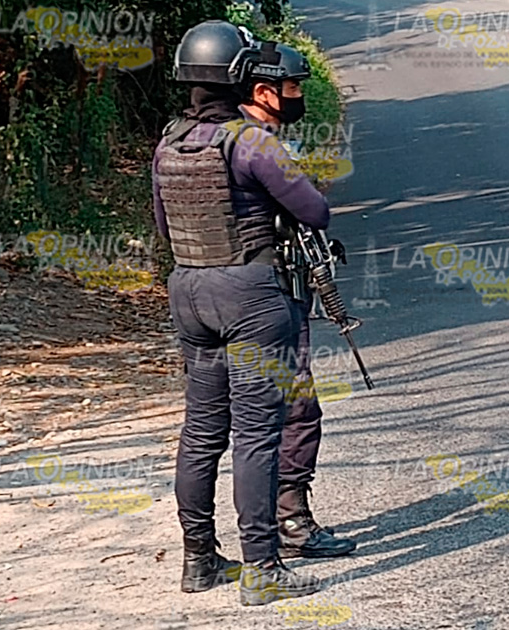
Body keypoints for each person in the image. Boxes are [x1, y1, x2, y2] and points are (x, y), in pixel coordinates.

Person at [153, 20, 328, 606]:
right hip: (250, 293)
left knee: (202, 432)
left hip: (188, 289)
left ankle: (199, 560)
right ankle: (262, 568)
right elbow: (315, 210)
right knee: (257, 432)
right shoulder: (249, 142)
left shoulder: (169, 142)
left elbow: (162, 227)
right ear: (238, 75)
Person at [239, 45, 360, 561]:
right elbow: (314, 210)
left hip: (205, 298)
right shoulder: (257, 145)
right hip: (270, 295)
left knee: (221, 422)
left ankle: (203, 550)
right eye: (292, 89)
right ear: (263, 92)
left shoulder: (192, 141)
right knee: (296, 409)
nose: (298, 97)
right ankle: (289, 523)